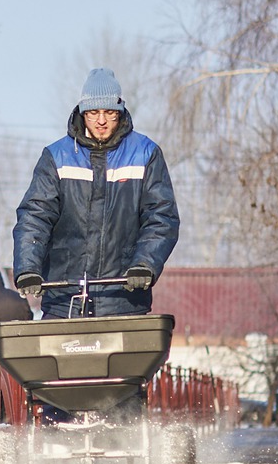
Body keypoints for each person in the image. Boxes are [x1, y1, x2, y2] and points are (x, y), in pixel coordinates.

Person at [12, 67, 179, 319]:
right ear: (82, 112)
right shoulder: (57, 157)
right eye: (93, 112)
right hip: (64, 300)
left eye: (109, 112)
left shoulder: (146, 154)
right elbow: (35, 217)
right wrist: (27, 268)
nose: (101, 120)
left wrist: (144, 265)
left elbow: (161, 217)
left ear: (120, 111)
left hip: (124, 299)